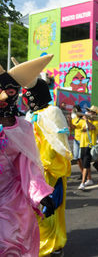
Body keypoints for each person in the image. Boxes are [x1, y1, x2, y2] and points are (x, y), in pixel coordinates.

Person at [0, 55, 55, 256]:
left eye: (10, 91)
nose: (4, 97)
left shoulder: (23, 127)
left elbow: (28, 166)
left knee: (10, 242)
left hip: (11, 198)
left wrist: (41, 194)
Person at [21, 68, 72, 256]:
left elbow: (58, 145)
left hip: (49, 172)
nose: (24, 100)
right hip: (33, 172)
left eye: (27, 96)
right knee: (32, 212)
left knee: (48, 210)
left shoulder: (52, 111)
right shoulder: (29, 115)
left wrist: (43, 165)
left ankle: (53, 246)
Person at [76, 105, 98, 190]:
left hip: (89, 145)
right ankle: (89, 179)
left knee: (86, 164)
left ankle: (83, 182)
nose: (88, 112)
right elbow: (76, 126)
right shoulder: (83, 121)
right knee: (85, 162)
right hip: (82, 144)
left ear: (94, 113)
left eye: (90, 111)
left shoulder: (96, 122)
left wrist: (87, 121)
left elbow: (92, 128)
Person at [68, 104, 84, 177]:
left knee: (81, 157)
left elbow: (75, 126)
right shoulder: (74, 119)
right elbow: (72, 128)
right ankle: (82, 172)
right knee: (77, 158)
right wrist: (69, 121)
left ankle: (84, 173)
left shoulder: (83, 119)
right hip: (76, 140)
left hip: (83, 140)